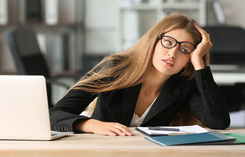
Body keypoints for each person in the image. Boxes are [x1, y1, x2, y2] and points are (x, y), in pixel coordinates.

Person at [50, 14, 230, 136]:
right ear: (154, 41)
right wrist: (92, 125)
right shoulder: (115, 68)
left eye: (184, 49)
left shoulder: (183, 85)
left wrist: (199, 63)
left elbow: (218, 121)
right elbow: (54, 115)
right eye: (168, 42)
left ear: (188, 59)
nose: (172, 53)